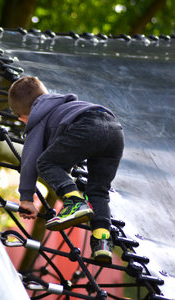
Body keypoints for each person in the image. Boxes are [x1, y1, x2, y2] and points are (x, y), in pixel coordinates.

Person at [8, 76, 124, 263]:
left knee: (44, 163)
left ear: (23, 117)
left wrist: (26, 198)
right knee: (98, 192)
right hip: (115, 130)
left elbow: (31, 160)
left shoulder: (37, 118)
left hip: (86, 126)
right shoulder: (64, 105)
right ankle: (102, 242)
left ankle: (74, 202)